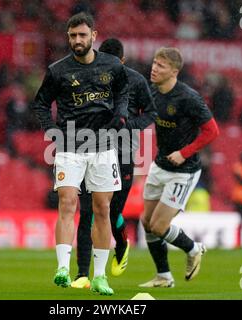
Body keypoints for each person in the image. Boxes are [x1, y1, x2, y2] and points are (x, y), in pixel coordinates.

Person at [32, 13, 129, 296]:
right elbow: (40, 104)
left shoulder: (111, 65)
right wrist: (51, 130)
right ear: (68, 37)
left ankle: (99, 277)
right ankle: (62, 268)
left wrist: (121, 114)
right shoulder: (58, 70)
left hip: (102, 147)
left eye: (82, 35)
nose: (77, 40)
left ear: (94, 36)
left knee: (102, 210)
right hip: (70, 147)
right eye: (73, 36)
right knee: (67, 202)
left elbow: (123, 92)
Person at [71, 38, 157, 289]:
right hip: (92, 151)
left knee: (110, 212)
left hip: (123, 153)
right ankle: (82, 275)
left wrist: (129, 126)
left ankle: (122, 244)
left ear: (121, 61)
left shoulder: (136, 81)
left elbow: (150, 113)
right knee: (87, 213)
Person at [140, 47, 219, 288]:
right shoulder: (152, 92)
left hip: (183, 172)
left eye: (161, 66)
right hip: (159, 164)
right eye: (154, 63)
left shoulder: (188, 98)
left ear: (174, 71)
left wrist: (184, 153)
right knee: (146, 222)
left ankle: (193, 249)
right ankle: (164, 276)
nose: (154, 68)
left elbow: (212, 131)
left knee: (159, 225)